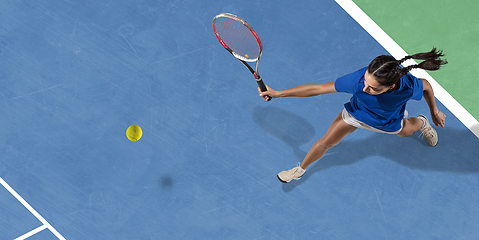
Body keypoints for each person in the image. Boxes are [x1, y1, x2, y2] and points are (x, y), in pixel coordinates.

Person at [258, 48, 448, 183]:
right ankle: (300, 170)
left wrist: (434, 112)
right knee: (326, 142)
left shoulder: (407, 86)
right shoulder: (356, 82)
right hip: (356, 114)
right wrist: (278, 93)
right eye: (365, 80)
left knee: (405, 132)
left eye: (372, 88)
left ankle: (421, 122)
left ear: (391, 86)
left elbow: (426, 87)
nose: (364, 88)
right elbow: (317, 89)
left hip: (388, 121)